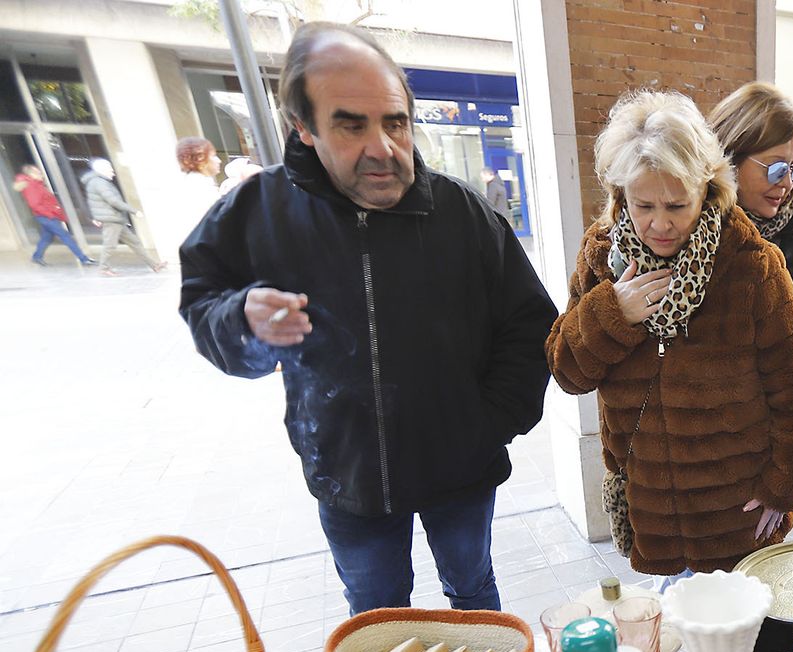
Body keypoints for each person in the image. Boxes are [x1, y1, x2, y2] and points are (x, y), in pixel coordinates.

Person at [180, 22, 558, 614]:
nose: (382, 147)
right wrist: (241, 323)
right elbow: (202, 305)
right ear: (304, 128)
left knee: (475, 596)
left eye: (395, 121)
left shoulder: (460, 212)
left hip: (461, 472)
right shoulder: (260, 211)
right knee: (379, 619)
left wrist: (486, 424)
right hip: (348, 475)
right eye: (351, 124)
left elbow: (531, 325)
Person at [547, 89, 793, 574]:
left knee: (748, 645)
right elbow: (568, 372)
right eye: (643, 204)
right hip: (651, 514)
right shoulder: (602, 259)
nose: (660, 224)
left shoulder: (752, 267)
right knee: (670, 642)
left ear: (708, 188)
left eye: (677, 205)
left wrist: (784, 488)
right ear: (621, 194)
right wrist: (613, 312)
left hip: (737, 519)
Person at [708, 82, 793, 354]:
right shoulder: (686, 227)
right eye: (777, 169)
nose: (788, 183)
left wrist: (760, 346)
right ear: (729, 156)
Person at [81, 157, 165, 275]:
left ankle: (154, 265)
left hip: (114, 218)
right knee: (109, 245)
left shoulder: (98, 182)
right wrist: (134, 211)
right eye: (110, 169)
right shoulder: (99, 183)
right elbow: (113, 201)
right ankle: (103, 268)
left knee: (134, 242)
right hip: (110, 219)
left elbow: (95, 201)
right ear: (102, 170)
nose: (113, 172)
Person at [12, 164, 93, 267]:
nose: (41, 174)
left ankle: (37, 257)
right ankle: (84, 259)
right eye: (38, 172)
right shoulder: (31, 186)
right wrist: (50, 214)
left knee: (46, 238)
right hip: (46, 217)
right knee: (65, 236)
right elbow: (34, 204)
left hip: (46, 216)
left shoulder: (37, 184)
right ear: (31, 174)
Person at [175, 136, 221, 232]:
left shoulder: (194, 183)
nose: (219, 160)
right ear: (200, 159)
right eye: (213, 156)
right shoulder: (199, 187)